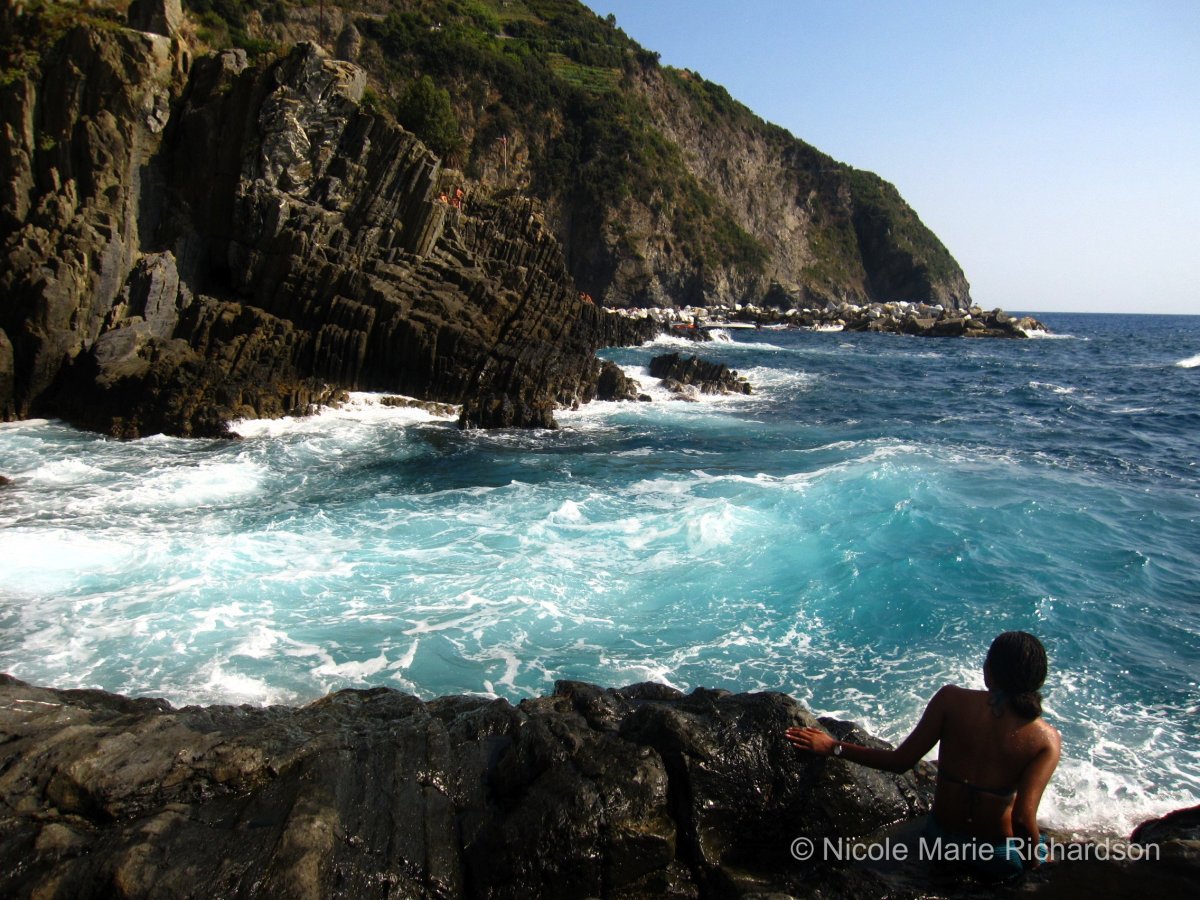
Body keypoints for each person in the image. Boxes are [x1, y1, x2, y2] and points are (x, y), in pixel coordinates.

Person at [785, 631, 1061, 881]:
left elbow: (899, 762)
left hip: (939, 840)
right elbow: (1023, 821)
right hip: (994, 856)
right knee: (1053, 849)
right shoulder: (1046, 739)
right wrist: (1034, 868)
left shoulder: (950, 699)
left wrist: (833, 746)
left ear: (991, 669)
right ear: (1037, 680)